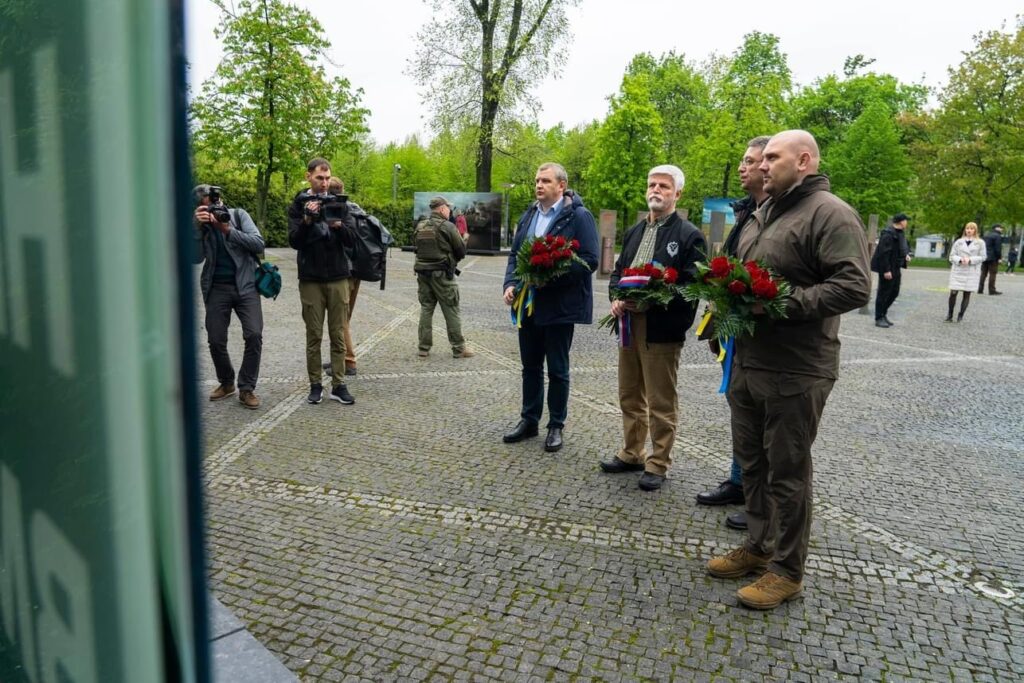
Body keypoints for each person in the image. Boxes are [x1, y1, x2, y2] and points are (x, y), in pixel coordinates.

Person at [706, 130, 870, 610]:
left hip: (798, 369)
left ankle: (787, 570)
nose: (761, 166)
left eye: (772, 158)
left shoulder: (830, 213)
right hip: (751, 361)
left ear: (804, 160)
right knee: (753, 464)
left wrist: (784, 302)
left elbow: (855, 285)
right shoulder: (762, 213)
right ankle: (759, 547)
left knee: (788, 471)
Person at [598, 165, 704, 491]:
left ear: (677, 194)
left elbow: (691, 288)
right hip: (629, 325)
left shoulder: (689, 235)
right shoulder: (633, 231)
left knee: (660, 400)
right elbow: (617, 273)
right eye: (652, 184)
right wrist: (616, 298)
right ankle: (632, 452)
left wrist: (655, 303)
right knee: (629, 393)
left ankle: (658, 462)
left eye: (664, 186)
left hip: (662, 329)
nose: (656, 190)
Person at [696, 136, 770, 528]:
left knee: (762, 417)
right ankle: (740, 481)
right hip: (736, 329)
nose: (742, 167)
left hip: (766, 334)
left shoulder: (774, 213)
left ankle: (762, 496)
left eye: (751, 161)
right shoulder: (744, 212)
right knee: (740, 409)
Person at [502, 163, 598, 452]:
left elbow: (590, 259)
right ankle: (529, 420)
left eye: (545, 180)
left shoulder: (578, 215)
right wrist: (509, 283)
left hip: (559, 304)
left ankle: (556, 425)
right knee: (530, 366)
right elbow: (515, 255)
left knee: (557, 369)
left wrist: (551, 276)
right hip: (528, 304)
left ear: (561, 185)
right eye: (536, 180)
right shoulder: (530, 213)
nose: (539, 185)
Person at [288, 157, 355, 406]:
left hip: (338, 276)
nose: (325, 183)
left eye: (327, 178)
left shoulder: (340, 204)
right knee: (313, 335)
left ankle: (338, 384)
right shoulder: (298, 205)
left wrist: (338, 226)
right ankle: (315, 385)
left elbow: (352, 241)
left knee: (337, 334)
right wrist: (307, 221)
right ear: (309, 176)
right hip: (311, 278)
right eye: (320, 178)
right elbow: (294, 241)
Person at [193, 184, 266, 409]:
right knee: (215, 340)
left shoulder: (238, 215)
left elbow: (259, 243)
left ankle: (247, 388)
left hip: (246, 286)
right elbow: (194, 258)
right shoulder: (200, 226)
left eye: (215, 203)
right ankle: (227, 382)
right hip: (217, 288)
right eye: (207, 207)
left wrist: (227, 230)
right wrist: (196, 228)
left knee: (254, 335)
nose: (214, 209)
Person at [414, 196, 473, 359]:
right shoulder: (448, 227)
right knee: (451, 309)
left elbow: (416, 248)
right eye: (448, 208)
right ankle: (459, 348)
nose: (450, 210)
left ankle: (423, 348)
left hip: (423, 273)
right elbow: (461, 251)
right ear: (441, 209)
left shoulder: (420, 225)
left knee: (426, 308)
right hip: (442, 275)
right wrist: (465, 239)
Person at [871, 213, 910, 328]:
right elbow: (883, 254)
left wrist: (906, 255)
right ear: (901, 222)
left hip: (896, 267)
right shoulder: (888, 234)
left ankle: (883, 314)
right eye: (906, 220)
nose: (907, 223)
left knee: (894, 292)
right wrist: (886, 270)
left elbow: (902, 248)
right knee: (883, 293)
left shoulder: (900, 234)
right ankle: (879, 317)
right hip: (888, 268)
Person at [946, 222, 986, 322]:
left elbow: (983, 257)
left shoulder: (980, 243)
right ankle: (950, 314)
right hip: (958, 270)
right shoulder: (958, 242)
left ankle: (961, 315)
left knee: (967, 294)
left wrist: (970, 259)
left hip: (971, 271)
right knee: (953, 293)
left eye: (972, 229)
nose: (969, 230)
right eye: (967, 228)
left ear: (975, 230)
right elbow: (951, 256)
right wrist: (959, 259)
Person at [978, 224, 1004, 295]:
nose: (1002, 229)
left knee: (983, 273)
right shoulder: (998, 236)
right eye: (1001, 228)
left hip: (985, 257)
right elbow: (997, 249)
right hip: (993, 258)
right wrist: (999, 258)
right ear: (997, 228)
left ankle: (980, 289)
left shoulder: (987, 235)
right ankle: (992, 290)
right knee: (993, 274)